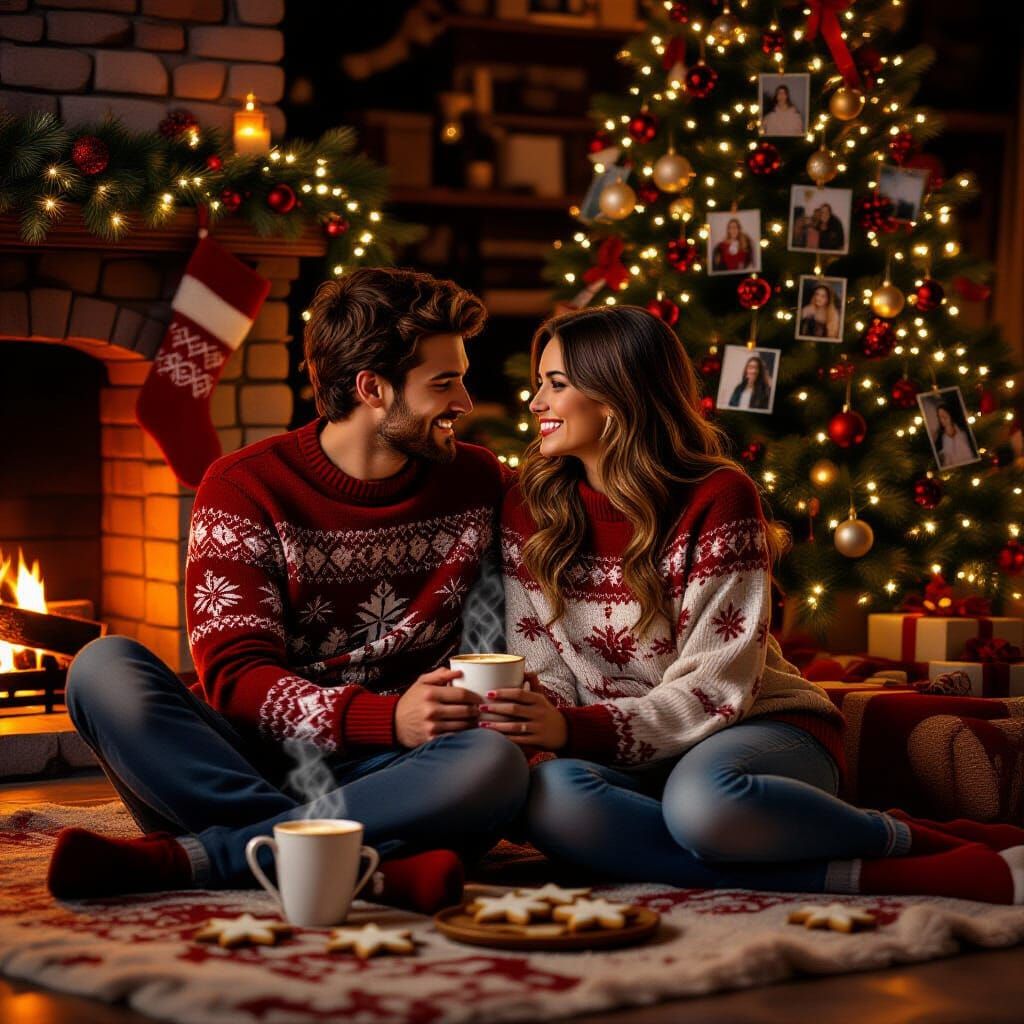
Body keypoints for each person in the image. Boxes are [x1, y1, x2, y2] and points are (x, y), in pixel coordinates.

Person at [488, 305, 1024, 905]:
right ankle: (839, 873)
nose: (535, 402)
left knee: (704, 808)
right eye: (539, 383)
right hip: (619, 751)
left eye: (555, 385)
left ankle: (913, 847)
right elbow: (542, 665)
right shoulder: (529, 509)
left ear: (615, 395)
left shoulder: (717, 497)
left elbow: (717, 685)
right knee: (551, 801)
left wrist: (576, 729)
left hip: (751, 726)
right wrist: (560, 728)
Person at [47, 268, 528, 910]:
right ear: (372, 389)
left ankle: (211, 856)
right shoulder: (244, 488)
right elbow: (236, 678)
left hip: (392, 772)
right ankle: (368, 868)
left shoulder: (478, 480)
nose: (465, 402)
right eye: (444, 383)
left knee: (493, 765)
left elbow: (519, 616)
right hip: (245, 761)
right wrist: (386, 715)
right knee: (102, 667)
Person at [933, 396, 977, 467]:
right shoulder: (940, 439)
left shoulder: (963, 432)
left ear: (950, 415)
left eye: (945, 416)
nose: (942, 420)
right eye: (940, 417)